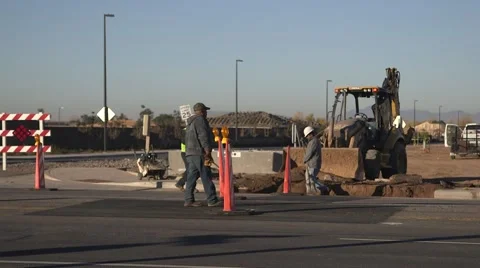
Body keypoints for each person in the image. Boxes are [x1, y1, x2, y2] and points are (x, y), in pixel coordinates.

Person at [183, 102, 221, 207]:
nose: (206, 113)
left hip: (190, 153)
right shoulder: (200, 120)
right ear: (202, 111)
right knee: (206, 175)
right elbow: (203, 136)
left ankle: (188, 199)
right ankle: (212, 200)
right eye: (205, 111)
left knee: (191, 177)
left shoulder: (190, 122)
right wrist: (207, 150)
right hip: (199, 152)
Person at [303, 126, 329, 195]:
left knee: (311, 179)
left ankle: (323, 188)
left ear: (310, 134)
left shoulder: (313, 142)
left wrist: (305, 159)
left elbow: (310, 152)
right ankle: (317, 190)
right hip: (312, 164)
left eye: (307, 136)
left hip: (313, 164)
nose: (307, 137)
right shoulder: (313, 141)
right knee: (310, 179)